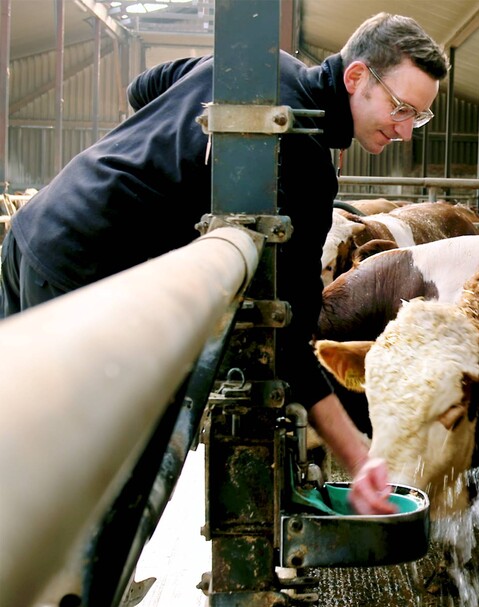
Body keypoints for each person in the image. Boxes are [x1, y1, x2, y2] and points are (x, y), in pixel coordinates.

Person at [0, 12, 448, 515]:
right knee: (76, 482)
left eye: (418, 117)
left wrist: (192, 136)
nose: (406, 131)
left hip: (34, 228)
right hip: (82, 268)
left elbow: (143, 86)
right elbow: (288, 333)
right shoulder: (302, 158)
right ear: (356, 77)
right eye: (401, 108)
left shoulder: (256, 69)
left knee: (12, 427)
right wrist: (357, 455)